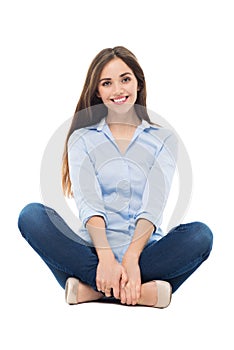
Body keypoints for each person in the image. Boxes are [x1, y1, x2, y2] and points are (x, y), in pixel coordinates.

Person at [18, 46, 213, 308]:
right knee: (31, 216)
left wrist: (131, 259)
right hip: (92, 253)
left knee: (201, 236)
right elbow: (89, 203)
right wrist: (107, 258)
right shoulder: (82, 138)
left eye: (125, 79)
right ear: (97, 91)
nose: (118, 90)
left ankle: (94, 291)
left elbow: (153, 205)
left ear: (138, 83)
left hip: (145, 254)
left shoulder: (163, 139)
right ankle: (142, 292)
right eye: (107, 83)